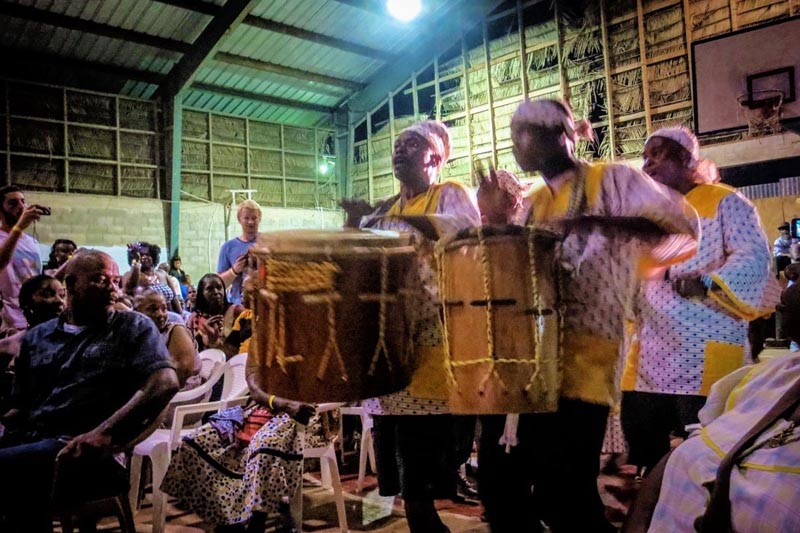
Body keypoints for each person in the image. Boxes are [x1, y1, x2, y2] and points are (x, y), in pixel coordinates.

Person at [477, 99, 699, 533]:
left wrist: (616, 235)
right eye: (514, 132)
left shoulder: (613, 179)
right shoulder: (535, 202)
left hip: (587, 355)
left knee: (565, 490)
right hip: (532, 360)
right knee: (501, 486)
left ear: (563, 135)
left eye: (531, 131)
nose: (520, 141)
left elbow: (685, 227)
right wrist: (499, 221)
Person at [343, 120, 481, 533]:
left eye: (412, 144)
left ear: (434, 157)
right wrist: (356, 223)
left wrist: (400, 223)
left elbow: (465, 233)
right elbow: (356, 253)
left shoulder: (448, 193)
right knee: (401, 451)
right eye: (397, 145)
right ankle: (422, 517)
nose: (399, 151)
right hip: (391, 337)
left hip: (432, 337)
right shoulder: (388, 207)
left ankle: (426, 517)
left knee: (419, 449)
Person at [620, 127, 779, 477]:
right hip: (650, 350)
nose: (648, 164)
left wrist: (707, 283)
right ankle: (654, 501)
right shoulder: (648, 213)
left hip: (704, 342)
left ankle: (704, 503)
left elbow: (752, 257)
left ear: (685, 158)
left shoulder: (727, 202)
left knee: (707, 440)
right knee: (648, 440)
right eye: (645, 157)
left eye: (657, 154)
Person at [0, 250, 179, 532]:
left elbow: (165, 382)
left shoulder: (131, 327)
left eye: (115, 280)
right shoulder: (39, 336)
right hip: (33, 439)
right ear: (70, 284)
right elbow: (19, 405)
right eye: (99, 280)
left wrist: (105, 432)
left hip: (86, 452)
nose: (112, 287)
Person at [625, 283, 800, 532]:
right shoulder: (773, 376)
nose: (790, 275)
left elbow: (750, 273)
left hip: (704, 343)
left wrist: (708, 281)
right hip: (658, 352)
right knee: (651, 428)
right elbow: (696, 443)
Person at [161, 301, 337, 533]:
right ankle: (227, 516)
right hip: (265, 408)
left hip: (309, 416)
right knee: (199, 441)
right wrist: (278, 402)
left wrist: (294, 403)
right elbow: (254, 385)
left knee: (265, 446)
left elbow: (330, 382)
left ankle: (256, 523)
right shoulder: (263, 333)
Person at [0, 186, 45, 335]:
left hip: (35, 317)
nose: (21, 207)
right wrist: (19, 227)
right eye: (13, 203)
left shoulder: (32, 242)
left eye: (23, 202)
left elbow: (38, 279)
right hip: (9, 321)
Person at [134, 289, 200, 389]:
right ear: (137, 312)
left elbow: (183, 374)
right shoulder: (140, 336)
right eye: (153, 309)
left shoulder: (176, 331)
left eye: (164, 309)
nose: (161, 314)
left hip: (184, 393)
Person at [218, 200, 261, 304]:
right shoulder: (228, 247)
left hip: (263, 306)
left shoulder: (268, 244)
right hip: (238, 307)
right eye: (246, 218)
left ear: (260, 219)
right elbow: (219, 284)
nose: (250, 222)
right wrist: (234, 271)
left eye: (254, 218)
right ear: (239, 219)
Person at [188, 273, 243, 354]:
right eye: (210, 289)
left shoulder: (237, 311)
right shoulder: (195, 317)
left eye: (219, 287)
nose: (216, 292)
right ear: (201, 293)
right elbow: (190, 347)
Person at [123, 241, 183, 314]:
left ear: (153, 256)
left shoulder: (162, 274)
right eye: (141, 255)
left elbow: (174, 299)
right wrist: (136, 264)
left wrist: (181, 315)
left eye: (147, 255)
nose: (144, 257)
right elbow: (128, 289)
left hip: (169, 317)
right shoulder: (131, 275)